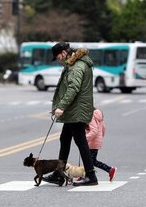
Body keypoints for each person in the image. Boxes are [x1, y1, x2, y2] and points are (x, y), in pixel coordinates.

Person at [42, 42, 98, 186]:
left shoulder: (76, 67)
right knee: (65, 139)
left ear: (64, 52)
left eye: (58, 56)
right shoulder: (74, 64)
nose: (59, 59)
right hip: (75, 109)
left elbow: (73, 88)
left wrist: (61, 106)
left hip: (76, 109)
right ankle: (59, 175)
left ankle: (91, 176)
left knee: (80, 141)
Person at [86, 108, 116, 182]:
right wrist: (100, 138)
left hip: (92, 141)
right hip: (96, 141)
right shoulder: (98, 116)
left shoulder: (91, 116)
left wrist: (84, 139)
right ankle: (85, 175)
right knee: (88, 160)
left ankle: (109, 169)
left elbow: (94, 130)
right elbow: (103, 128)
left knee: (91, 161)